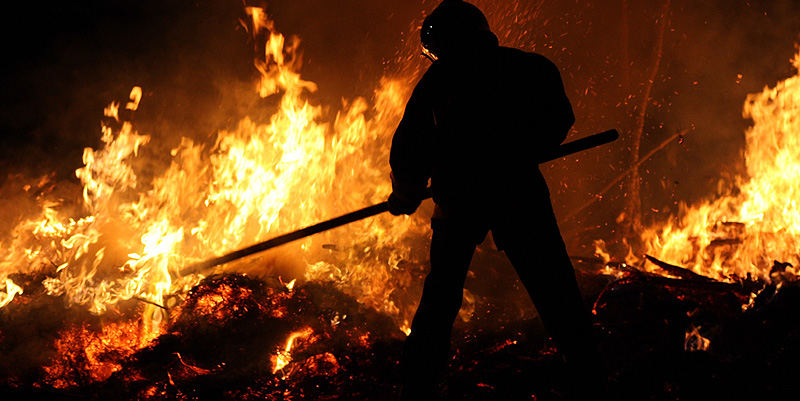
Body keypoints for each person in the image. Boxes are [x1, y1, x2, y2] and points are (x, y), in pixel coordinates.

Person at [388, 0, 604, 399]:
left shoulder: (437, 83)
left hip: (459, 201)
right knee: (554, 288)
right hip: (518, 192)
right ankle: (588, 373)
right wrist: (523, 149)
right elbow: (559, 118)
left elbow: (409, 154)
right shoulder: (529, 67)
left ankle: (418, 384)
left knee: (442, 296)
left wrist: (404, 194)